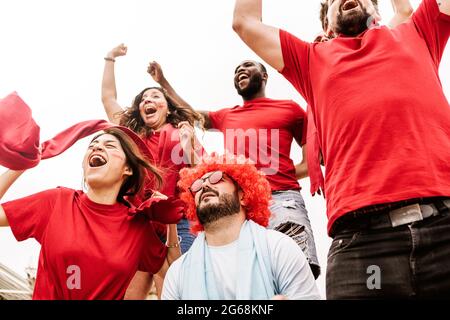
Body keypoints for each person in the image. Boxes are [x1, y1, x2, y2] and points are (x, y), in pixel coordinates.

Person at [232, 0, 450, 298]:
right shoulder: (310, 58)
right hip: (365, 244)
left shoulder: (418, 32)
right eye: (333, 1)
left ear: (378, 12)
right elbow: (245, 22)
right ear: (327, 27)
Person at [150, 59, 321, 279]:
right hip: (240, 206)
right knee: (250, 278)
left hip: (283, 199)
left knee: (296, 271)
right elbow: (189, 114)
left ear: (264, 76)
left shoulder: (291, 110)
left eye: (248, 66)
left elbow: (309, 164)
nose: (240, 70)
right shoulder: (226, 116)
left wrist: (269, 174)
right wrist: (162, 81)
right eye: (236, 70)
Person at [0, 94, 182, 299]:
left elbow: (176, 275)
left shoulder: (137, 225)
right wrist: (22, 164)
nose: (96, 147)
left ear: (128, 169)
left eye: (110, 146)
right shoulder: (56, 201)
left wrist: (171, 225)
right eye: (93, 145)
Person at [101, 45, 204, 297]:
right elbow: (108, 98)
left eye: (155, 97)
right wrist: (110, 58)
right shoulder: (133, 134)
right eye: (143, 99)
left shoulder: (183, 130)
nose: (148, 101)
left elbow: (201, 171)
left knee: (177, 290)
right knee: (128, 292)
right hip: (139, 221)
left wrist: (187, 145)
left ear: (167, 107)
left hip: (177, 221)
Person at [162, 153, 320, 300]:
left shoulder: (279, 249)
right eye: (197, 186)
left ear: (243, 196)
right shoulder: (178, 273)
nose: (204, 186)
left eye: (217, 178)